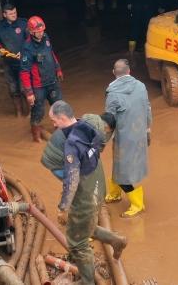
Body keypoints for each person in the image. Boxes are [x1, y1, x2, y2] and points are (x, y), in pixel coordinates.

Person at [49, 101, 128, 284]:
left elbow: (72, 179)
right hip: (98, 186)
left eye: (54, 120)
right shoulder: (87, 126)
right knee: (87, 226)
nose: (53, 125)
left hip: (86, 196)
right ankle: (116, 240)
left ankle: (87, 281)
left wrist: (63, 207)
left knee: (78, 243)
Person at [103, 59, 152, 218]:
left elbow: (109, 122)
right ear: (129, 71)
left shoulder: (112, 94)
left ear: (113, 73)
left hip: (124, 138)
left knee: (123, 172)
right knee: (120, 166)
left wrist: (101, 141)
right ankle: (115, 193)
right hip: (140, 134)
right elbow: (147, 109)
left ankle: (137, 204)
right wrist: (148, 130)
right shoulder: (141, 86)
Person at [20, 16, 64, 142]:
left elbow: (51, 54)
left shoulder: (46, 38)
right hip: (39, 86)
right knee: (38, 111)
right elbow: (24, 72)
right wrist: (29, 93)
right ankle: (36, 137)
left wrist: (58, 69)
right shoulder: (27, 48)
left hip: (52, 81)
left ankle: (59, 134)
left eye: (42, 30)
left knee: (59, 107)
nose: (40, 33)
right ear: (31, 31)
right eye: (37, 31)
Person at [0, 3, 29, 117]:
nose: (14, 15)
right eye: (11, 13)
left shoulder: (23, 23)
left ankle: (29, 112)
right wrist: (0, 50)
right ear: (4, 15)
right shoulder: (0, 27)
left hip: (23, 62)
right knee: (13, 89)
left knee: (24, 88)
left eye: (15, 12)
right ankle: (18, 112)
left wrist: (23, 52)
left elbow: (30, 40)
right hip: (8, 63)